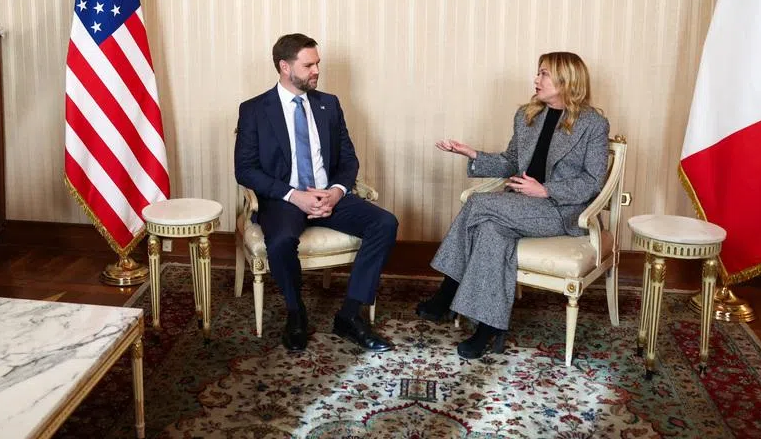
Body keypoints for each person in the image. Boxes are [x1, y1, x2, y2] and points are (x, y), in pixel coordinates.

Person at [417, 52, 609, 359]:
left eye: (544, 74)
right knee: (490, 231)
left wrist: (545, 189)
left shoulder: (593, 124)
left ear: (566, 80)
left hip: (559, 210)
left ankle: (446, 292)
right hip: (518, 205)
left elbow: (592, 181)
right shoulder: (527, 115)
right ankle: (489, 327)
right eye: (538, 73)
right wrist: (473, 154)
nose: (536, 79)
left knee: (478, 203)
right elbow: (511, 162)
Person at [235, 34, 398, 354]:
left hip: (329, 195)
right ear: (285, 67)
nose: (317, 71)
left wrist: (336, 192)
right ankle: (296, 313)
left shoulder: (329, 104)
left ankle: (349, 315)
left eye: (318, 64)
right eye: (308, 65)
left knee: (385, 223)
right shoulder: (254, 110)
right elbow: (246, 170)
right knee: (280, 241)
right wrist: (294, 195)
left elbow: (348, 159)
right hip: (285, 199)